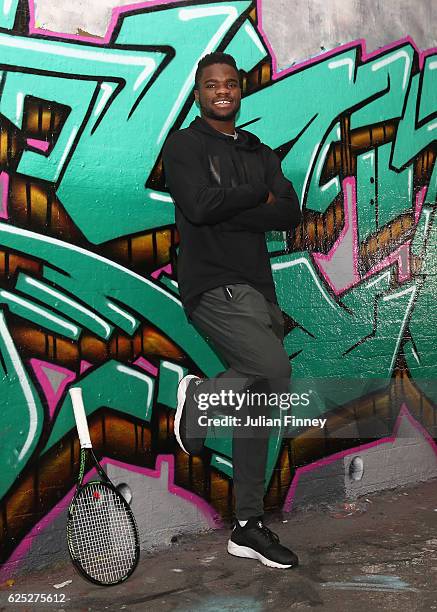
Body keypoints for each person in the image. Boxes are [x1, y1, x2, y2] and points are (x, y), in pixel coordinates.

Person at [162, 52, 302, 569]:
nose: (222, 91)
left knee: (259, 403)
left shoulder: (259, 150)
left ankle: (247, 524)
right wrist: (251, 199)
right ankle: (198, 402)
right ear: (198, 92)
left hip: (259, 291)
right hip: (214, 285)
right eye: (211, 84)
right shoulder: (183, 145)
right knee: (273, 371)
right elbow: (197, 206)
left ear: (240, 91)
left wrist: (234, 208)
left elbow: (288, 210)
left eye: (231, 84)